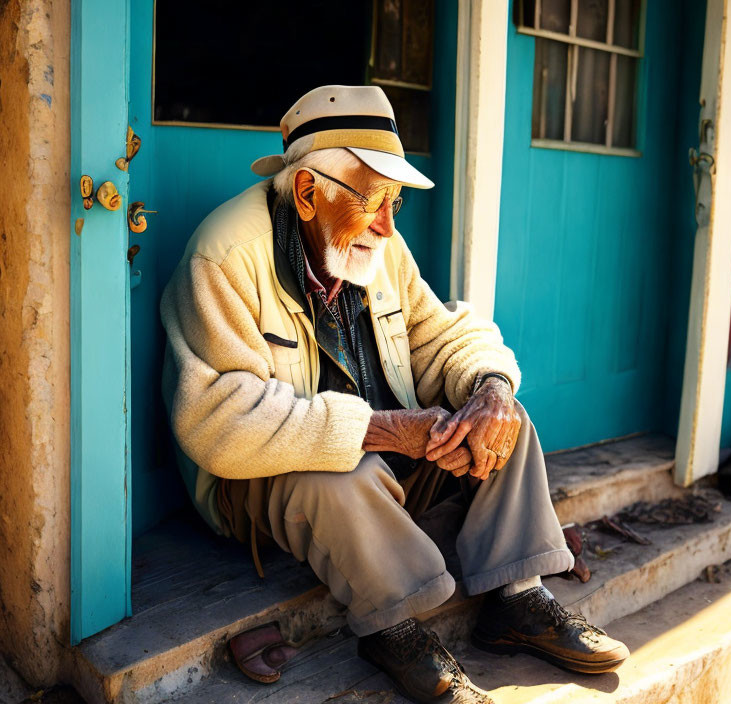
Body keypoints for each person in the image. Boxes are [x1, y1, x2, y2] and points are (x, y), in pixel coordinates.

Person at [159, 85, 629, 704]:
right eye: (373, 200)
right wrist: (377, 430)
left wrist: (489, 387)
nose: (387, 223)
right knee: (340, 477)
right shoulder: (225, 255)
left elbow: (440, 333)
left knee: (505, 419)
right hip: (267, 486)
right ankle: (395, 629)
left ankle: (518, 601)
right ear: (307, 194)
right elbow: (219, 422)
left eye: (395, 201)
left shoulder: (377, 246)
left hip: (394, 464)